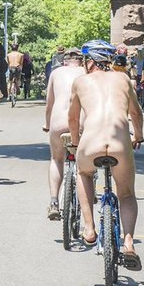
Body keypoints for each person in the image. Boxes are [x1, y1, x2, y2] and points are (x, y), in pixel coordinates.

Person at [68, 40, 144, 265]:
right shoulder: (123, 79)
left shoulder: (80, 82)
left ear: (90, 62)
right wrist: (138, 136)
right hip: (119, 142)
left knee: (83, 173)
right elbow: (136, 113)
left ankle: (89, 228)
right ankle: (128, 243)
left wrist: (75, 142)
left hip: (90, 142)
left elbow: (73, 118)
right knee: (126, 194)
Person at [41, 48, 85, 220]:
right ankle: (87, 192)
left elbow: (49, 105)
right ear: (81, 61)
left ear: (64, 61)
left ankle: (54, 202)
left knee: (56, 159)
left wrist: (47, 124)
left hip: (58, 121)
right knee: (85, 160)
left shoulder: (56, 73)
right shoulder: (86, 73)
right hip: (80, 121)